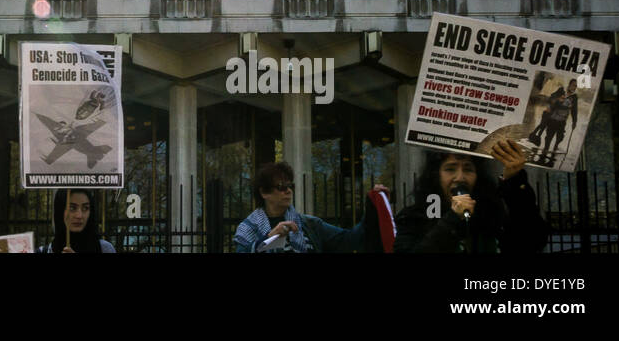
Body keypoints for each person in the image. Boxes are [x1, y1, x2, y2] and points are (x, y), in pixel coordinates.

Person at [393, 141, 549, 253]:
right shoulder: (413, 217)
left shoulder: (492, 214)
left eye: (468, 169)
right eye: (450, 169)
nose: (460, 177)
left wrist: (514, 181)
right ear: (436, 176)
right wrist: (453, 220)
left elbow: (533, 242)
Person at [234, 161, 389, 253]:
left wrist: (373, 207)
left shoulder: (309, 224)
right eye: (281, 186)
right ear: (264, 192)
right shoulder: (248, 229)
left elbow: (348, 240)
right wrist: (269, 238)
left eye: (290, 185)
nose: (288, 190)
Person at [45, 188, 115, 253]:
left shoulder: (105, 249)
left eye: (85, 208)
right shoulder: (47, 250)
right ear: (60, 211)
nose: (79, 216)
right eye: (72, 208)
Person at [527, 79, 579, 157]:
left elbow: (574, 110)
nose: (574, 87)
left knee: (560, 137)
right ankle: (544, 152)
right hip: (553, 119)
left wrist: (574, 122)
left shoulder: (574, 97)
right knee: (548, 137)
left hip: (562, 121)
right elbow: (552, 98)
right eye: (573, 85)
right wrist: (558, 100)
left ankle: (554, 150)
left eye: (576, 86)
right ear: (569, 85)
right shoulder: (561, 91)